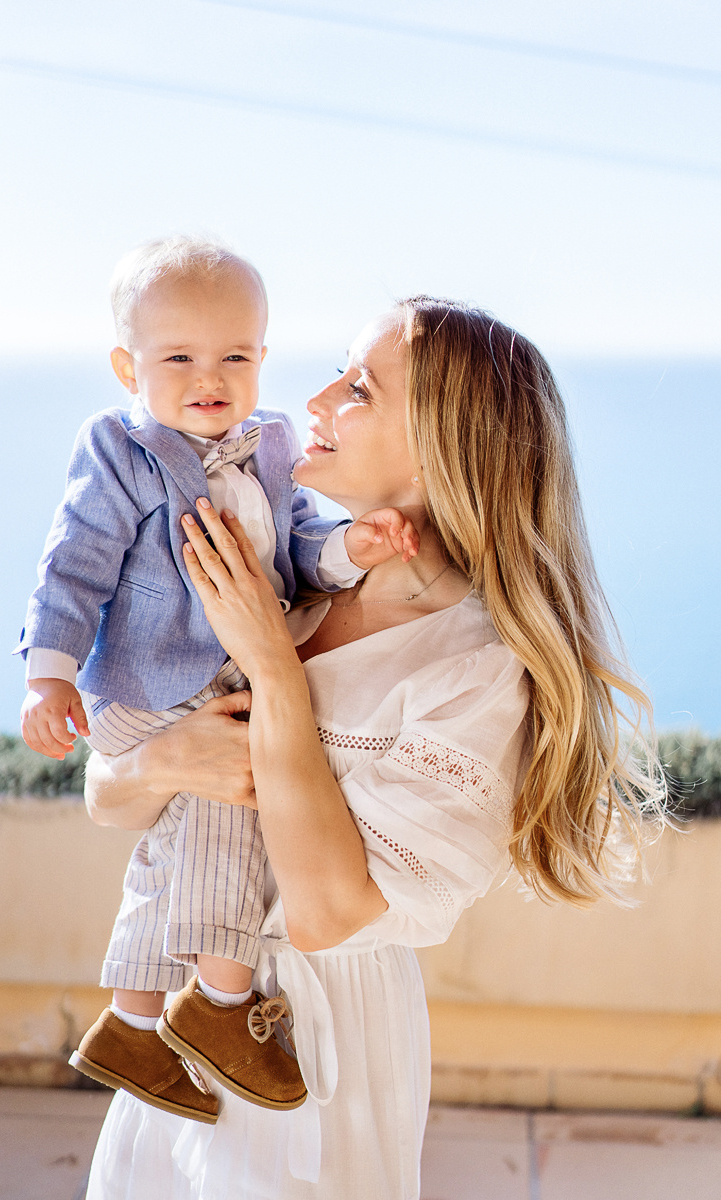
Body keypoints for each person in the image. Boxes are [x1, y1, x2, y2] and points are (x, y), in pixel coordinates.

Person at [82, 297, 664, 1200]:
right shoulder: (286, 579)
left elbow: (327, 914)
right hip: (173, 1018)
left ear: (439, 445)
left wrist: (273, 669)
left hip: (311, 1051)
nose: (314, 400)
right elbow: (108, 797)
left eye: (358, 390)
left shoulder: (475, 666)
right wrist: (162, 761)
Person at [14, 235, 420, 1121]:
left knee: (176, 844)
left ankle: (132, 1021)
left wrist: (351, 548)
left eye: (235, 356)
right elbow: (73, 566)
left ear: (263, 357)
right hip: (148, 681)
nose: (211, 377)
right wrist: (49, 676)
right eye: (179, 358)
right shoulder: (120, 448)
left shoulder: (271, 445)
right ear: (129, 367)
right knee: (239, 804)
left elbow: (296, 548)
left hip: (216, 673)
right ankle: (221, 1004)